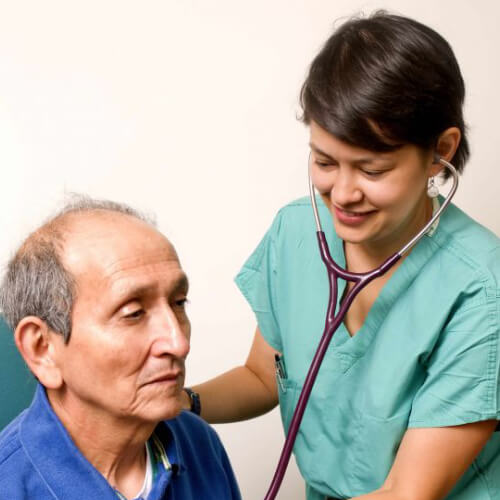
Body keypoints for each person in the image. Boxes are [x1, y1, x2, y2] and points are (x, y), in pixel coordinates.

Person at [181, 11, 500, 500]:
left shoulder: (481, 289)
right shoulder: (294, 235)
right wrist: (181, 403)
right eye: (325, 162)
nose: (343, 193)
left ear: (441, 151)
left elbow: (407, 494)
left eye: (372, 169)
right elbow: (263, 378)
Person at [0, 196, 241, 500]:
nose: (178, 343)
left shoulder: (199, 444)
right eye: (133, 313)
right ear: (42, 349)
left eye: (179, 303)